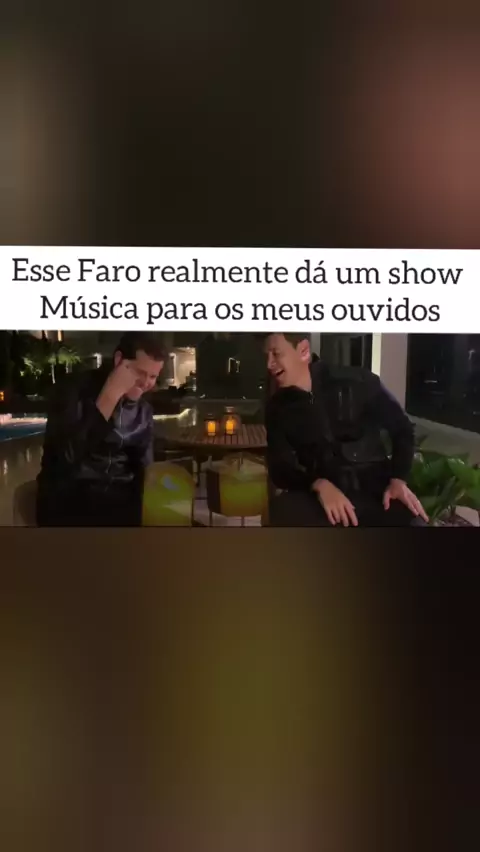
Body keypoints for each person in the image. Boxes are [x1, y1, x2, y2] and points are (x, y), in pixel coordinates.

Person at [264, 333, 428, 527]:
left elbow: (402, 428)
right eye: (266, 356)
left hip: (377, 494)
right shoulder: (277, 408)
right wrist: (317, 484)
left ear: (303, 350)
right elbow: (280, 469)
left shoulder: (358, 381)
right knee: (283, 511)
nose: (269, 364)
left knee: (416, 523)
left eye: (276, 354)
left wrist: (398, 480)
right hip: (324, 500)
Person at [36, 332, 166, 526]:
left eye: (153, 376)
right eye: (140, 372)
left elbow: (144, 468)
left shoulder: (143, 410)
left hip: (120, 502)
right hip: (69, 500)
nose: (146, 383)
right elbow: (65, 459)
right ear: (119, 361)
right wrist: (110, 395)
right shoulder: (72, 390)